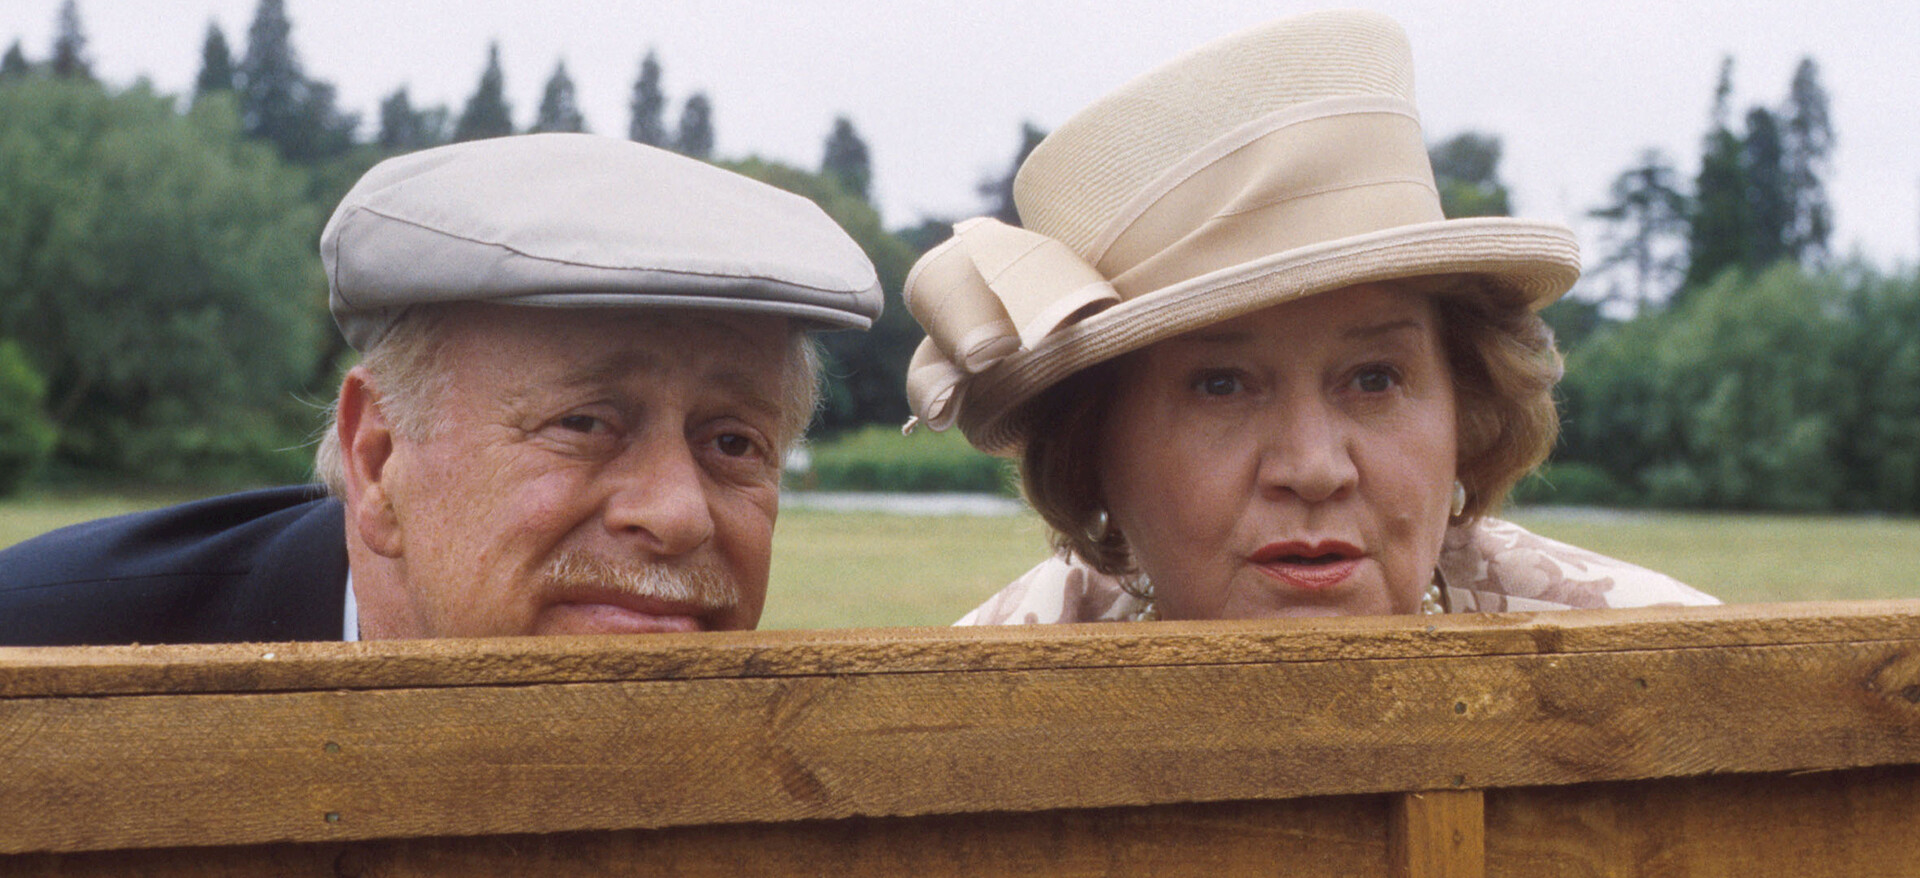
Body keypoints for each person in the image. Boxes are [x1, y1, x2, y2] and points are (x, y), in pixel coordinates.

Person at [900, 11, 1716, 625]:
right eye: (1221, 385)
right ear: (1093, 453)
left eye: (1375, 378)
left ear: (1467, 410)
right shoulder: (969, 712)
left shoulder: (1666, 669)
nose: (1315, 469)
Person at [0, 133, 882, 645]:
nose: (679, 515)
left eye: (732, 442)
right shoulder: (38, 652)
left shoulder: (820, 755)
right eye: (584, 423)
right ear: (378, 460)